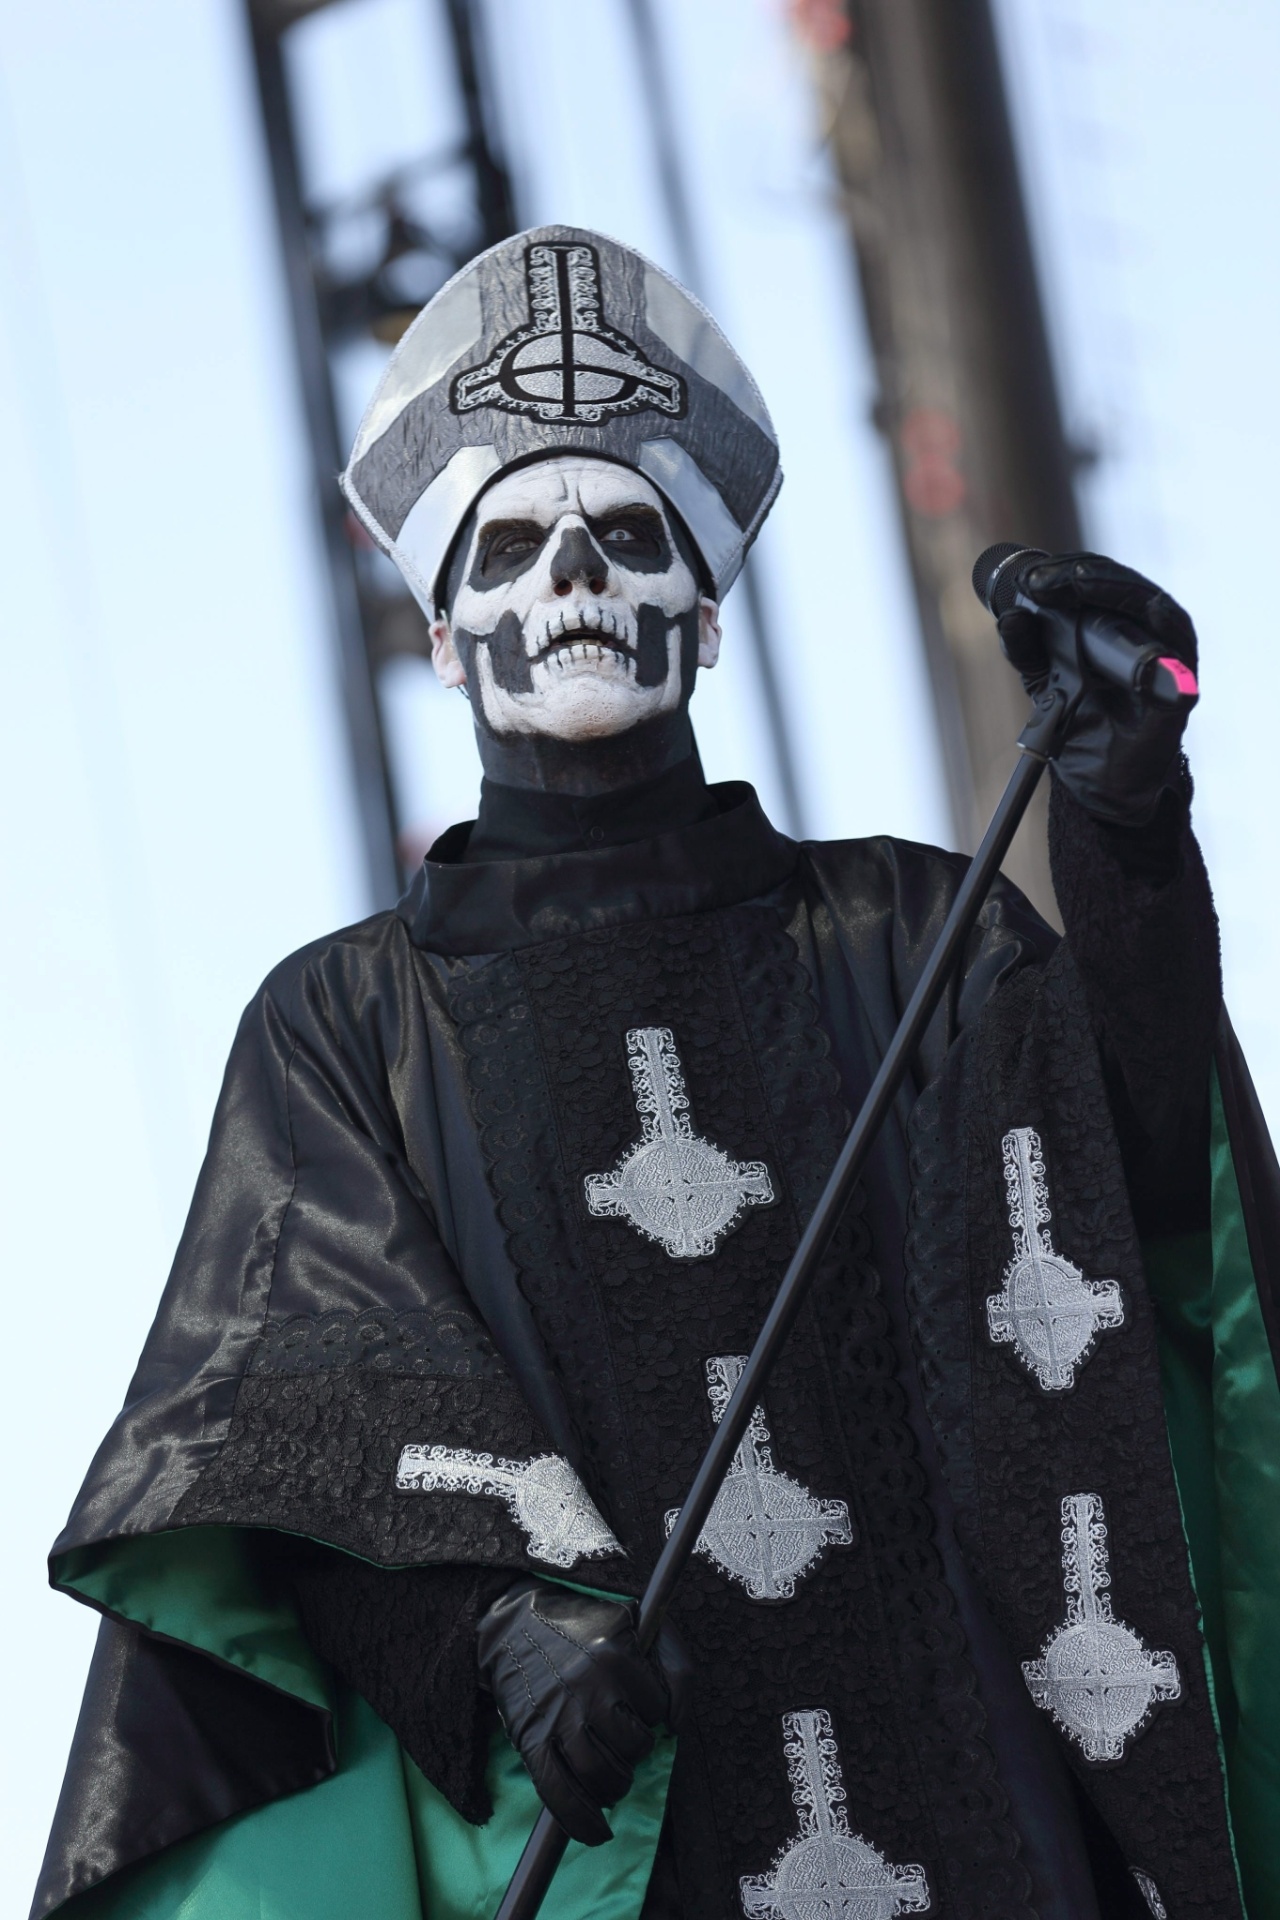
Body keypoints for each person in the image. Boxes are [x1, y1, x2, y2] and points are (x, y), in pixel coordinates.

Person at [32, 226, 1280, 1920]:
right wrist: (501, 1645)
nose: (572, 584)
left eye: (623, 534)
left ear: (698, 595)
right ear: (447, 621)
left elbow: (1146, 1211)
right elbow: (284, 1460)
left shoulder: (913, 929)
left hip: (995, 1833)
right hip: (642, 1851)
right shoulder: (342, 1032)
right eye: (517, 545)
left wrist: (1127, 825)